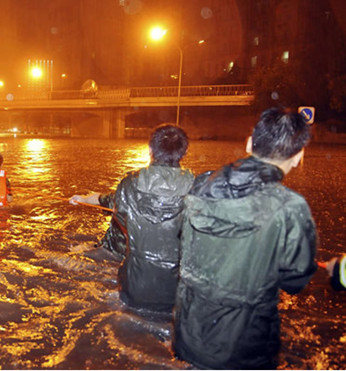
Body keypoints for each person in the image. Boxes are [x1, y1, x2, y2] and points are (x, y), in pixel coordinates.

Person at [173, 107, 317, 369]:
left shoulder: (201, 184)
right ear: (298, 156)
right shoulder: (290, 207)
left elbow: (186, 241)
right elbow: (296, 281)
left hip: (189, 336)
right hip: (245, 349)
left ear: (250, 143)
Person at [70, 124, 194, 315]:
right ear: (184, 152)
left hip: (135, 285)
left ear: (151, 149)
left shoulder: (130, 184)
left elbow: (110, 205)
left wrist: (83, 199)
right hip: (179, 290)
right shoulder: (199, 188)